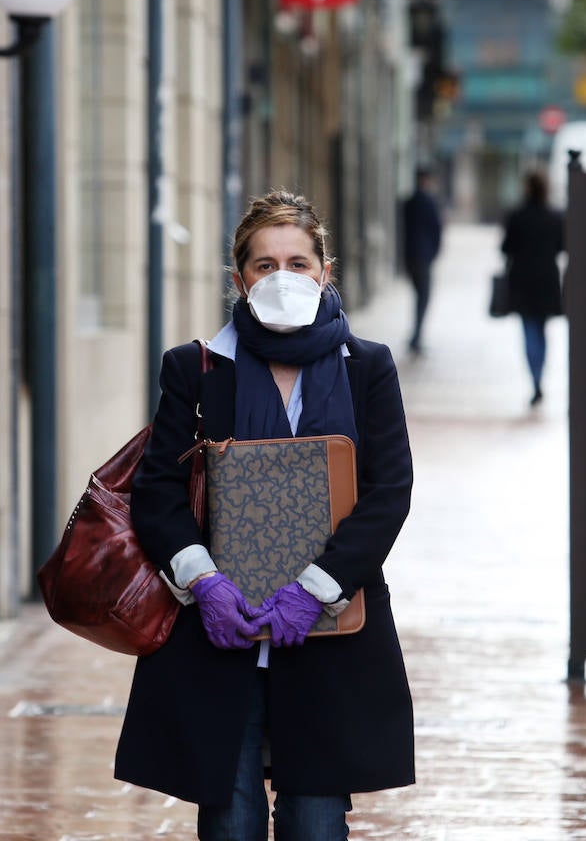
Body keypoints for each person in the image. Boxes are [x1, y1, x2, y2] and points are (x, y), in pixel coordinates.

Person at [115, 189, 416, 841]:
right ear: (239, 279)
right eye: (264, 264)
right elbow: (158, 491)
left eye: (298, 263)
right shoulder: (194, 370)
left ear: (324, 272)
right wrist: (205, 583)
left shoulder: (367, 369)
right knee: (230, 818)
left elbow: (389, 492)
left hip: (330, 630)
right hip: (219, 635)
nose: (283, 277)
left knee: (316, 821)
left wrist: (315, 591)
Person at [501, 170, 565, 407]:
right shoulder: (555, 216)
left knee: (529, 331)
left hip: (523, 280)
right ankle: (539, 378)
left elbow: (506, 247)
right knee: (541, 331)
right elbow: (562, 246)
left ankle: (535, 381)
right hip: (547, 280)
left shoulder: (517, 216)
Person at [400, 165, 444, 354]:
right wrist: (434, 253)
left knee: (419, 296)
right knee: (423, 298)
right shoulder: (429, 201)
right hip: (423, 257)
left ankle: (416, 336)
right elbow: (437, 229)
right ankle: (417, 337)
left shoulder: (409, 202)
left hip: (410, 255)